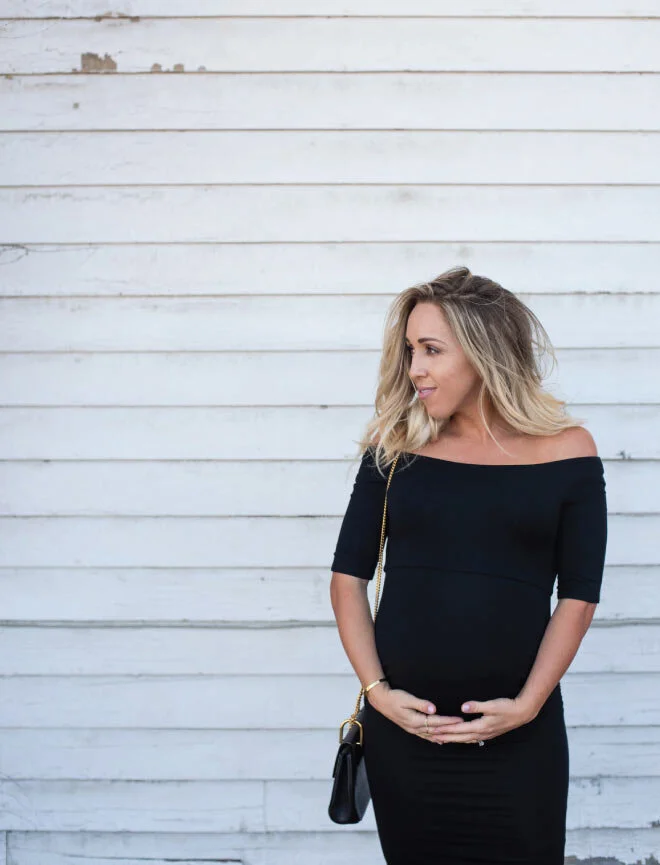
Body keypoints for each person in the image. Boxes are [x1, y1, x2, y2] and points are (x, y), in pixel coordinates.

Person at [329, 266, 608, 865]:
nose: (415, 368)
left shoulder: (568, 451)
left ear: (485, 353)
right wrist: (378, 695)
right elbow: (347, 578)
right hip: (407, 739)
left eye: (432, 349)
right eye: (411, 350)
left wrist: (528, 704)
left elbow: (580, 595)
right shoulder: (394, 448)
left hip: (520, 740)